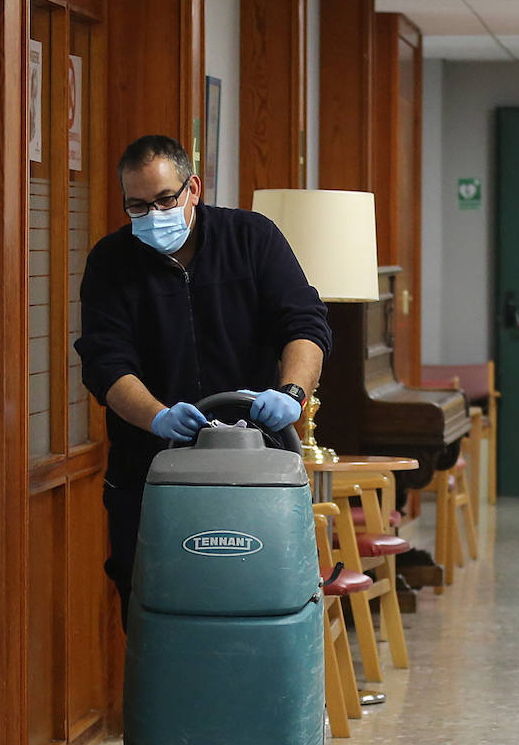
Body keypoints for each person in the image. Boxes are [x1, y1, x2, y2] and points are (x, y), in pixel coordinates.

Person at [75, 135, 331, 625]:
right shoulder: (112, 263)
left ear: (193, 187)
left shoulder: (251, 238)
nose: (153, 215)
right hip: (150, 475)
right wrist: (158, 417)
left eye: (165, 199)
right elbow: (105, 364)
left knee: (261, 604)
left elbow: (305, 324)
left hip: (257, 471)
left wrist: (292, 394)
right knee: (157, 611)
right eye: (137, 206)